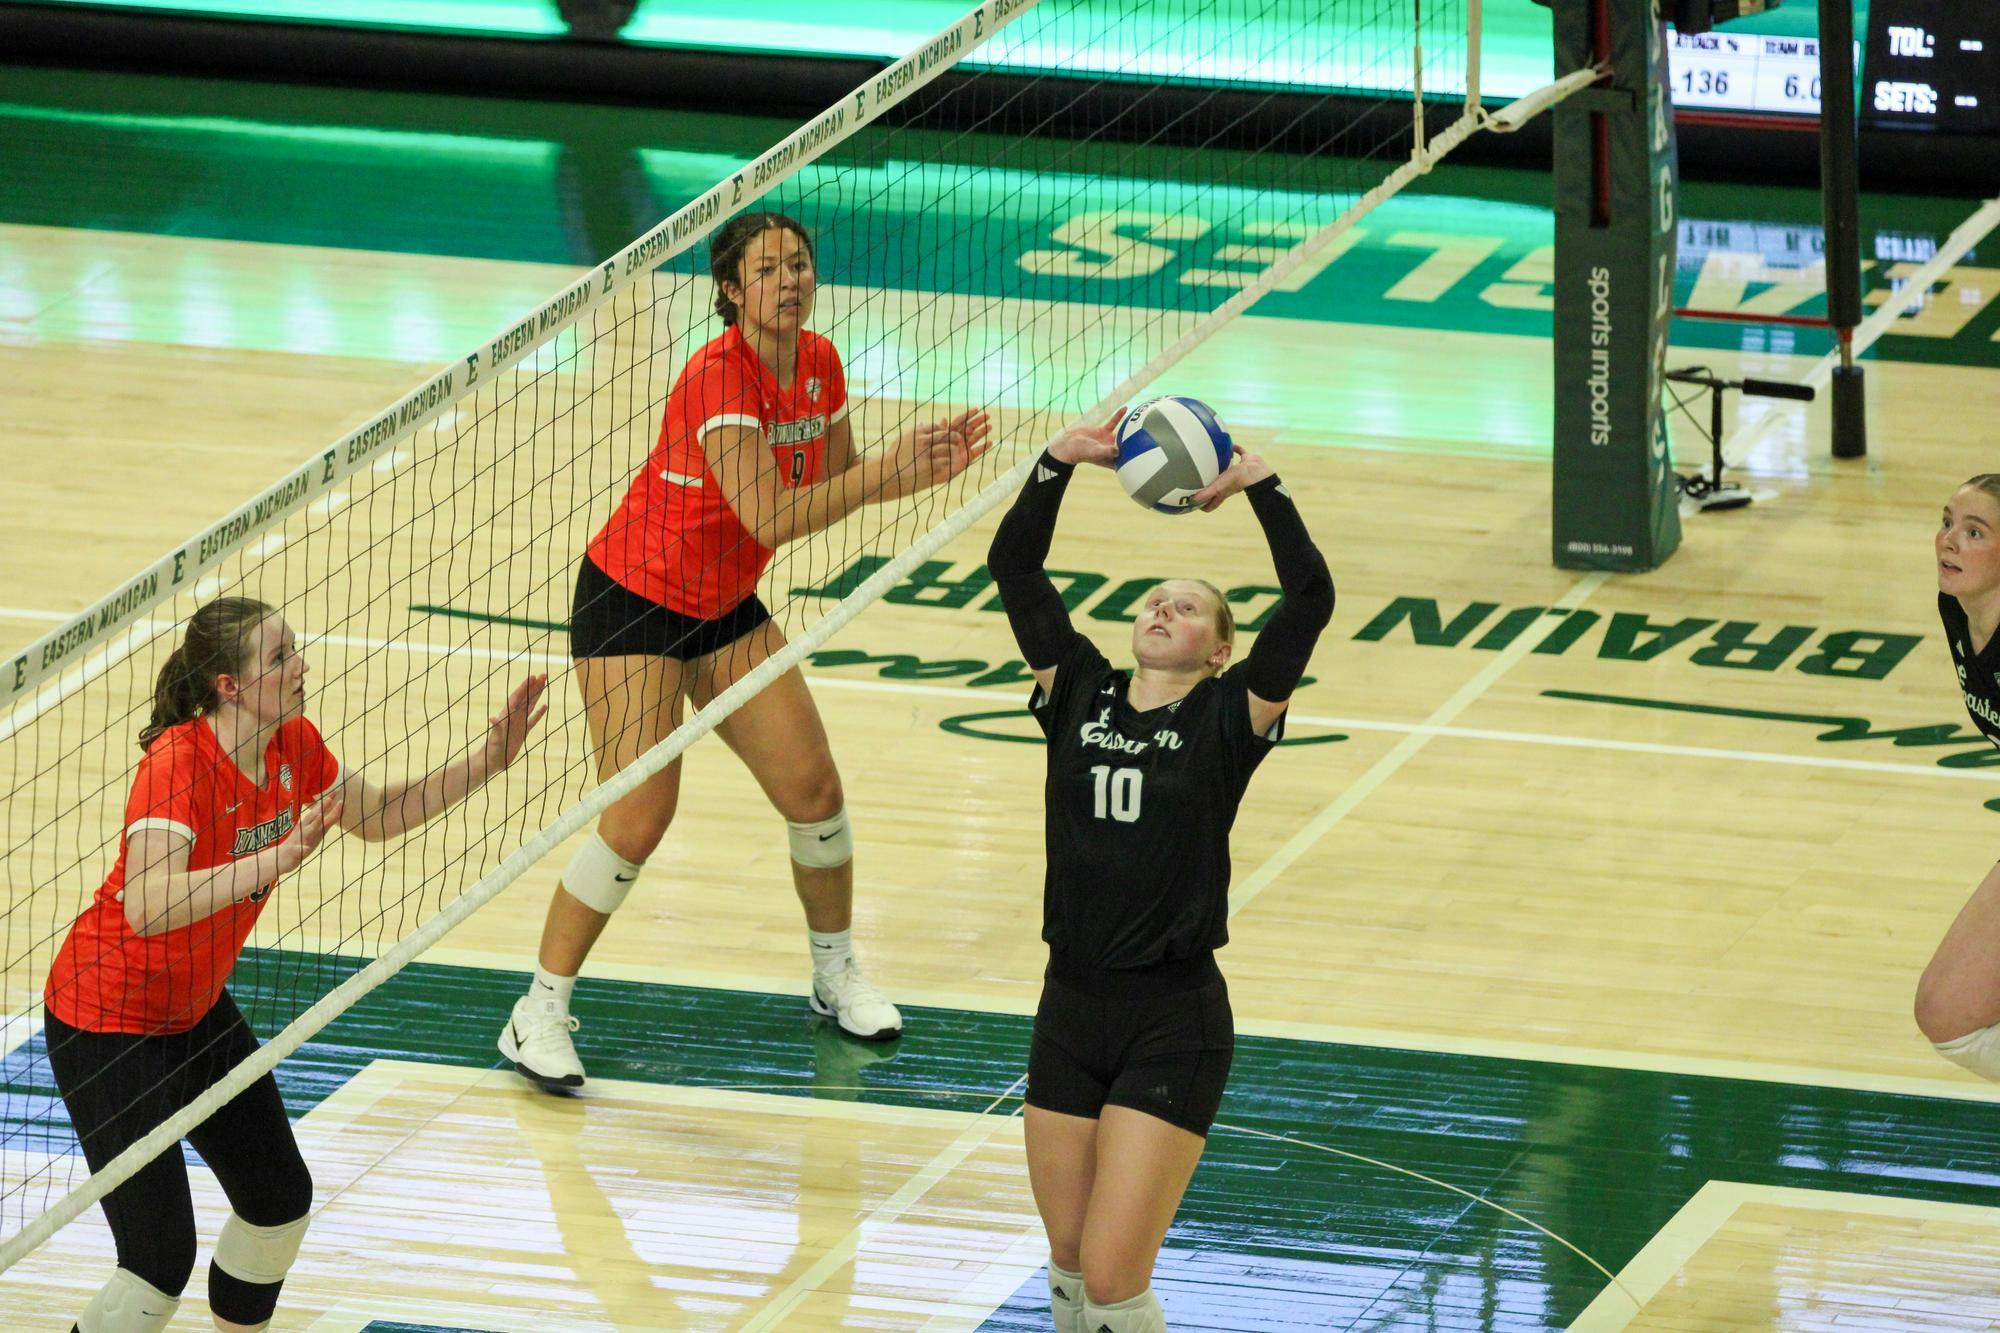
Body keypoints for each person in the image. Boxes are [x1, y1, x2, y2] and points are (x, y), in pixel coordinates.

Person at [499, 210, 991, 1089]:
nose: (791, 280)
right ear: (731, 290)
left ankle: (834, 972)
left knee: (814, 788)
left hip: (723, 606)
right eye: (769, 269)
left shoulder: (820, 362)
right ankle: (537, 1008)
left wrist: (907, 470)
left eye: (799, 264)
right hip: (634, 605)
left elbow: (835, 488)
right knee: (640, 815)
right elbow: (770, 514)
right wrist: (880, 472)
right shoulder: (716, 379)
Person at [43, 595, 547, 1332]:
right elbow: (147, 905)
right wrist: (271, 858)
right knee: (156, 1260)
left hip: (192, 1009)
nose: (301, 664)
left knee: (277, 1198)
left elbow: (373, 813)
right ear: (230, 686)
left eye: (293, 650)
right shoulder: (179, 764)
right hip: (106, 1024)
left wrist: (485, 762)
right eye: (279, 657)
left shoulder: (290, 742)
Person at [986, 418, 1333, 1333]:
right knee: (1067, 1265)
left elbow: (1308, 599)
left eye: (1188, 607)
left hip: (1171, 1019)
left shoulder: (1230, 717)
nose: (1161, 609)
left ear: (1220, 650)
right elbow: (1017, 568)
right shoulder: (1077, 690)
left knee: (1110, 1276)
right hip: (1069, 1006)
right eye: (1154, 599)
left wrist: (1260, 483)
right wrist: (1057, 466)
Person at [1916, 474, 2000, 1080]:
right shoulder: (1958, 609)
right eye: (1948, 522)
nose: (1950, 541)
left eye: (1975, 532)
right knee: (1946, 1013)